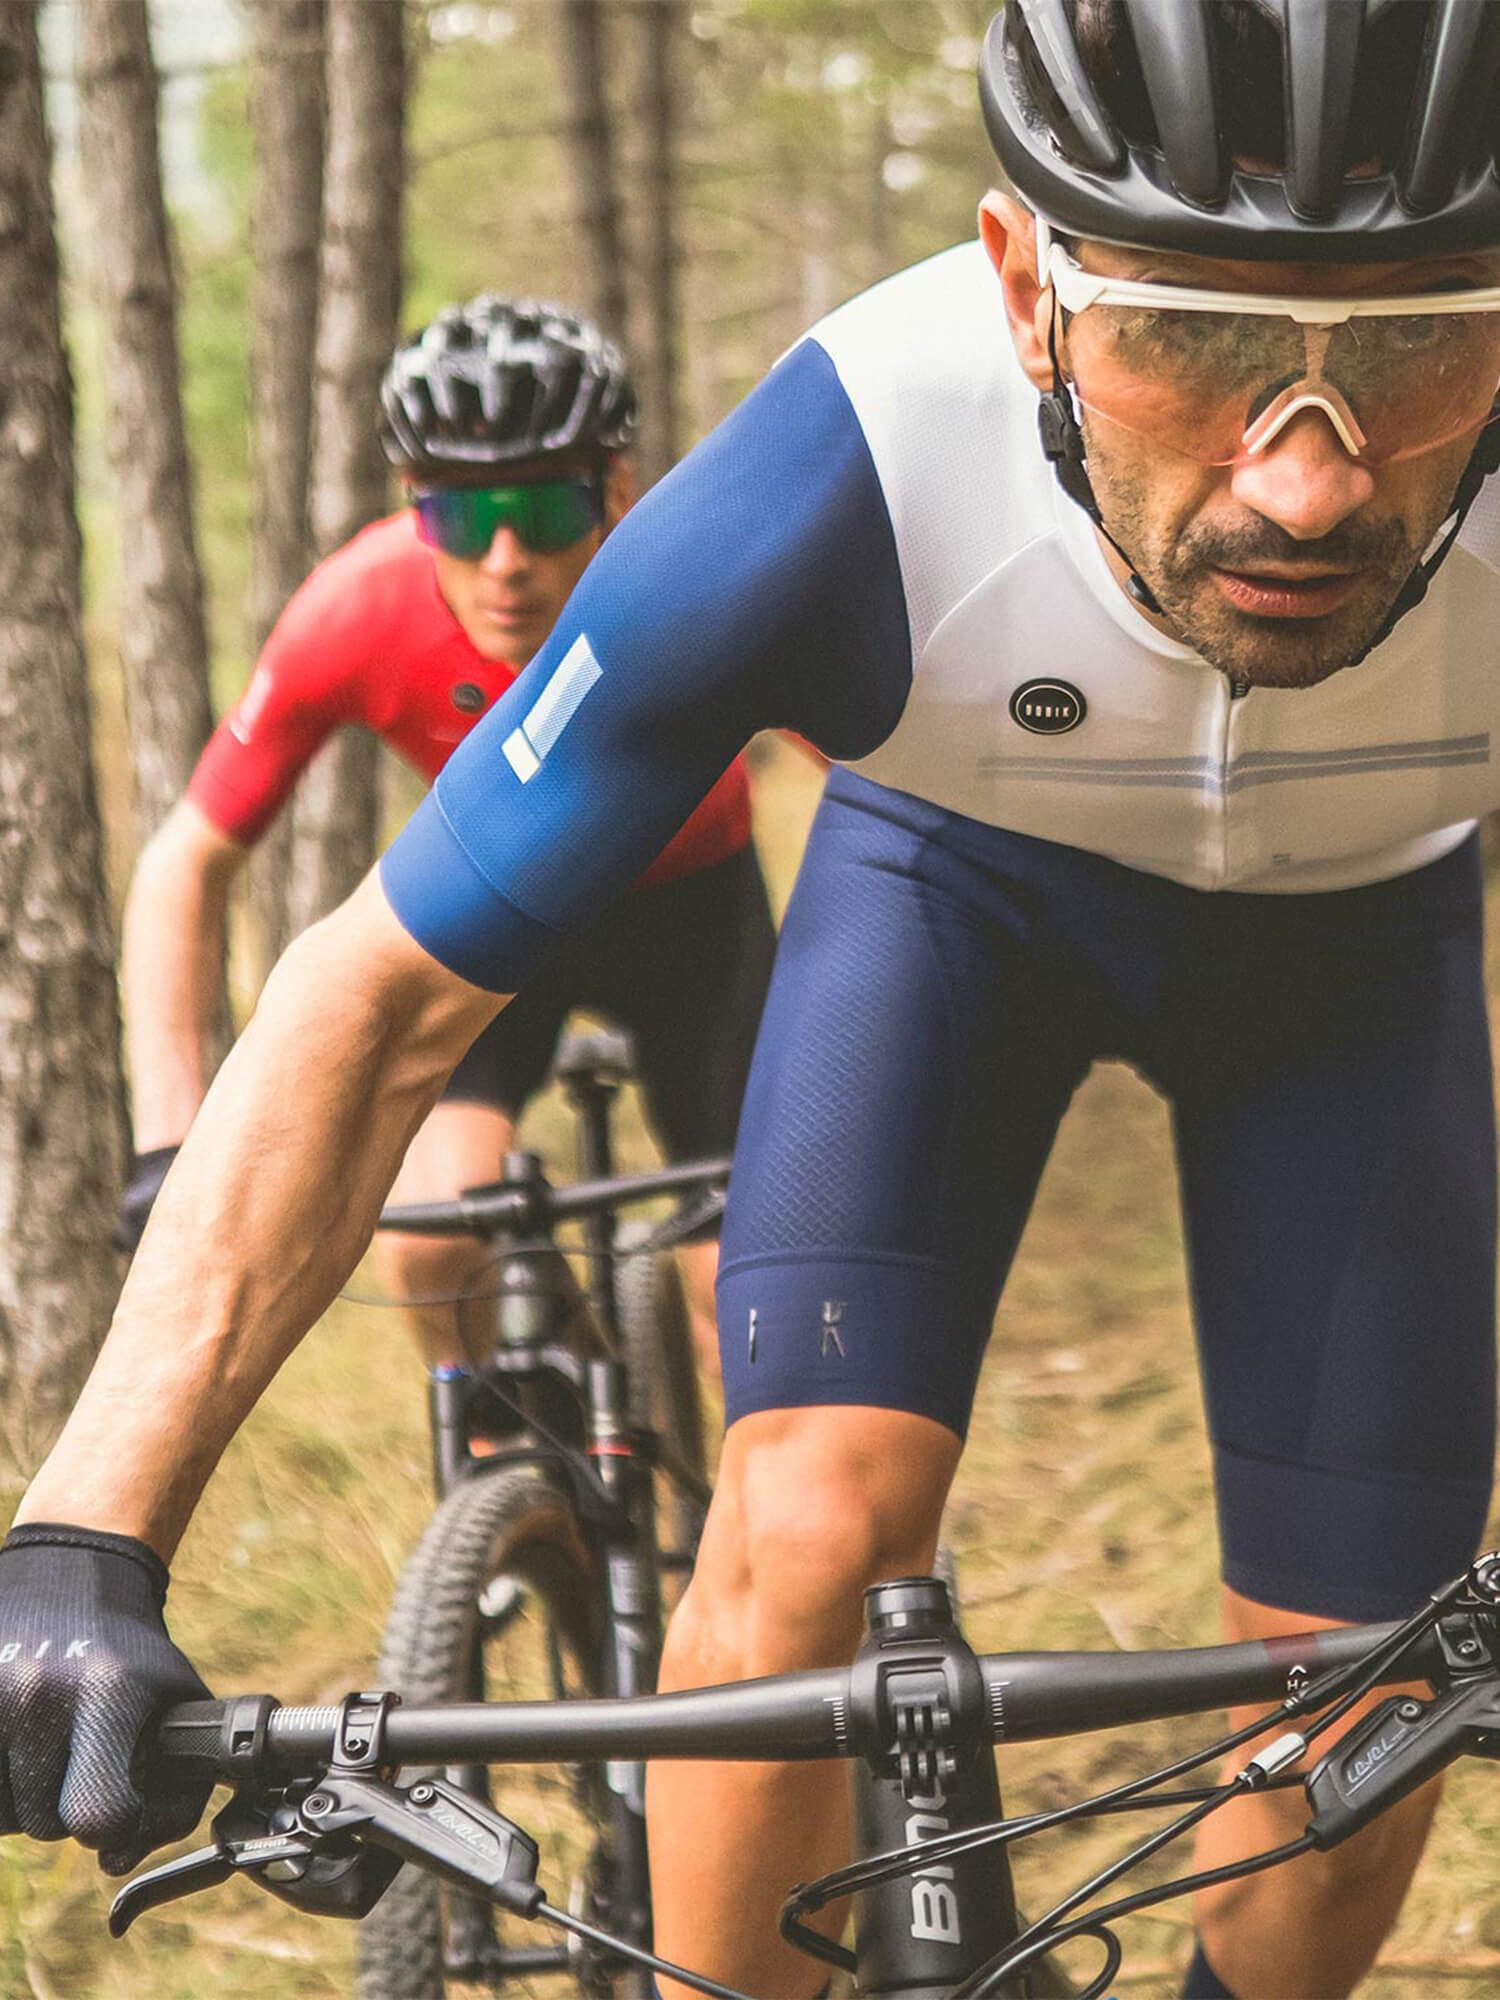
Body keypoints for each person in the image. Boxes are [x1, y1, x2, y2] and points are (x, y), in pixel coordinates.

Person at [3, 3, 1500, 1994]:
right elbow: (369, 1005)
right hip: (957, 897)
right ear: (1023, 292)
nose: (1307, 486)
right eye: (1195, 341)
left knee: (1365, 1695)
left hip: (1356, 964)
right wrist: (86, 1529)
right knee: (800, 1540)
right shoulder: (855, 463)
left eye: (1417, 351)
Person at [116, 295, 775, 1377]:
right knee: (433, 1242)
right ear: (412, 505)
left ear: (615, 490)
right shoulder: (358, 612)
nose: (505, 557)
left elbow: (887, 776)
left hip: (696, 931)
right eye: (463, 517)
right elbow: (187, 860)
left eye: (544, 511)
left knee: (736, 1287)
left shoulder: (700, 584)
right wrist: (166, 1139)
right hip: (503, 913)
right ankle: (537, 1503)